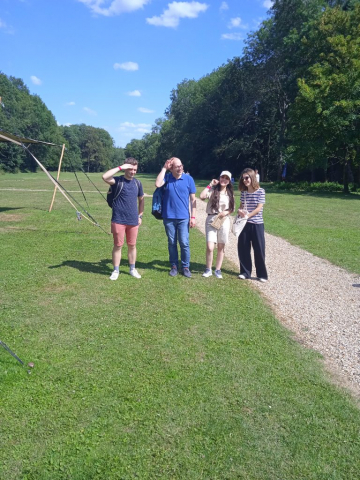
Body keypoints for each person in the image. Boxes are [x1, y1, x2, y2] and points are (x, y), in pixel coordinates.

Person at [102, 158, 144, 280]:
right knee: (118, 245)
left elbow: (141, 200)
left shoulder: (138, 183)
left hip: (133, 220)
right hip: (118, 219)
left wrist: (140, 215)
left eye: (135, 169)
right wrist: (121, 167)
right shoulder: (117, 181)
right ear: (125, 168)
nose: (133, 172)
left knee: (132, 245)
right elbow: (105, 177)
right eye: (130, 169)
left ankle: (132, 269)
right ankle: (116, 270)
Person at [155, 157, 196, 277]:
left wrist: (193, 217)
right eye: (177, 166)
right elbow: (157, 184)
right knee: (172, 242)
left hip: (184, 217)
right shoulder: (167, 178)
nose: (180, 168)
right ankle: (174, 266)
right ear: (171, 168)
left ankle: (185, 267)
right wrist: (164, 168)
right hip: (169, 217)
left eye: (181, 165)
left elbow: (193, 200)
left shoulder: (188, 179)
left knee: (184, 242)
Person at [199, 171, 234, 279]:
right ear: (219, 178)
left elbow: (232, 208)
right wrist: (210, 184)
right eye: (222, 177)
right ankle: (208, 269)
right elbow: (202, 196)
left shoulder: (229, 194)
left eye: (226, 178)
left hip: (223, 220)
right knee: (210, 247)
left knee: (220, 246)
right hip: (211, 218)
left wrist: (226, 212)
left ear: (229, 181)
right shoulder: (214, 190)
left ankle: (217, 270)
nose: (224, 180)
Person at [237, 168, 268, 282]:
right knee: (243, 249)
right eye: (243, 178)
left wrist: (247, 216)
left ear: (252, 177)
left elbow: (259, 208)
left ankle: (262, 274)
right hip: (244, 224)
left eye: (247, 178)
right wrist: (240, 211)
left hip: (257, 224)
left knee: (259, 249)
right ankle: (245, 272)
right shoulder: (243, 193)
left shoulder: (261, 191)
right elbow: (241, 206)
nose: (245, 180)